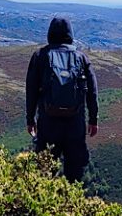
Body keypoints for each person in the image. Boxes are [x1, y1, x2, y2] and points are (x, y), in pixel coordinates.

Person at [25, 17, 99, 182]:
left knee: (44, 173)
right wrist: (93, 120)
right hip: (75, 125)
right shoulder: (81, 58)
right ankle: (71, 206)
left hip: (48, 124)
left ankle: (45, 205)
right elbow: (92, 91)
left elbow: (31, 90)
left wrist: (30, 119)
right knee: (74, 177)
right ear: (70, 34)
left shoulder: (40, 56)